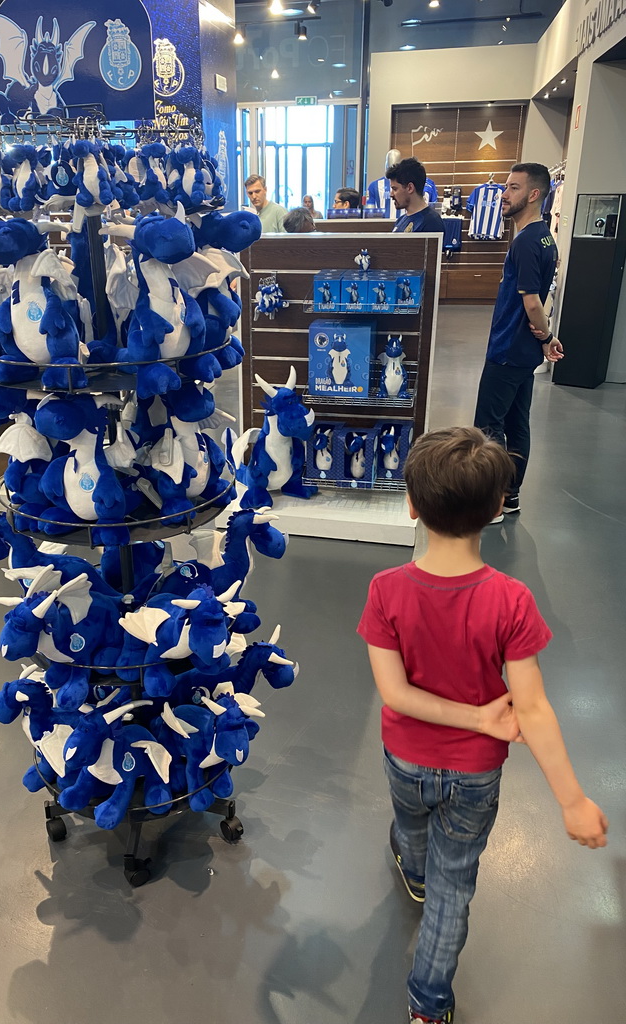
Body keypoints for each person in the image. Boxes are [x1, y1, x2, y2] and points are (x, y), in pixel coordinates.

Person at [357, 426, 608, 1024]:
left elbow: (393, 692)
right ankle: (428, 1007)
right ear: (498, 509)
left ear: (411, 505)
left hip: (405, 758)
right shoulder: (511, 600)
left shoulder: (385, 591)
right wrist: (571, 801)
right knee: (455, 886)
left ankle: (410, 870)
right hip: (475, 774)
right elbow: (535, 708)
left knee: (409, 826)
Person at [473, 162, 564, 520]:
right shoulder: (545, 238)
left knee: (488, 426)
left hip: (508, 349)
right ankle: (510, 496)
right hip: (523, 352)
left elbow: (532, 303)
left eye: (512, 188)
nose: (503, 194)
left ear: (534, 194)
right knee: (516, 423)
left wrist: (547, 335)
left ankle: (492, 501)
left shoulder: (527, 241)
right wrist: (544, 341)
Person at [388, 158, 445, 234]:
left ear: (410, 188)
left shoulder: (431, 223)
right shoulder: (400, 221)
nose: (391, 194)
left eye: (395, 189)